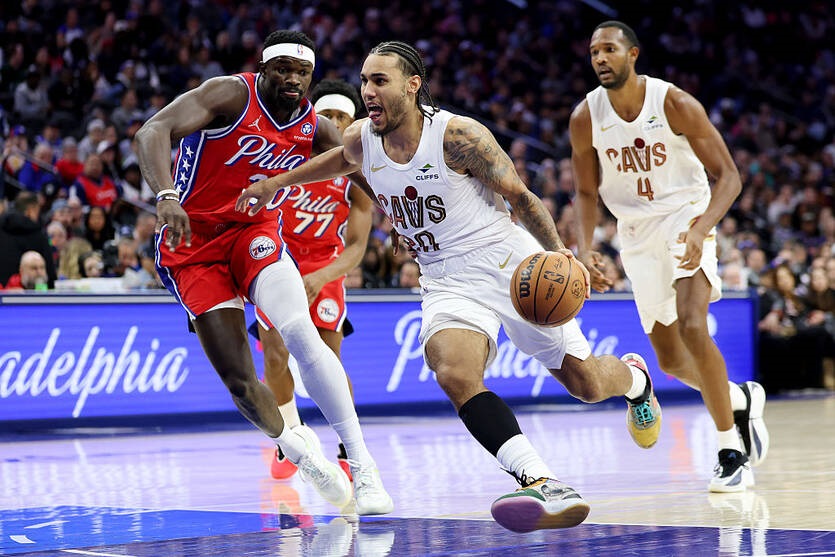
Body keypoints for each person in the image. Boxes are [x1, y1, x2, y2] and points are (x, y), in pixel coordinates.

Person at [237, 40, 662, 533]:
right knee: (453, 372)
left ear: (412, 85)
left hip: (507, 262)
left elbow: (521, 197)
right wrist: (276, 183)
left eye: (380, 81)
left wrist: (561, 254)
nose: (367, 90)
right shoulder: (361, 137)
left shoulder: (458, 136)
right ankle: (541, 481)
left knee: (585, 384)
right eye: (364, 80)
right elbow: (338, 162)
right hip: (444, 277)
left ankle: (636, 381)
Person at [135, 30, 391, 516]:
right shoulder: (229, 94)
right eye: (284, 70)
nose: (294, 79)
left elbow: (360, 171)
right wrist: (166, 195)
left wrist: (400, 215)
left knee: (300, 332)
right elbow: (152, 130)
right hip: (192, 246)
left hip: (253, 233)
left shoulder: (315, 126)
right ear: (263, 70)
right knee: (240, 381)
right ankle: (299, 451)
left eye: (303, 72)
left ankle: (362, 464)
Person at [568, 21, 769, 493]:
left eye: (609, 49)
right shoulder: (585, 116)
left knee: (694, 326)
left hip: (685, 215)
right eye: (594, 52)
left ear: (633, 54)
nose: (600, 58)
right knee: (672, 362)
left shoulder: (674, 102)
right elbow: (585, 191)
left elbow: (729, 177)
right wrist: (586, 248)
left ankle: (730, 451)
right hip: (636, 233)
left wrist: (701, 227)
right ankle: (739, 398)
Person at [250, 79, 375, 482]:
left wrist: (322, 276)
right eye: (327, 115)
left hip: (326, 269)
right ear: (313, 118)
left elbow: (356, 248)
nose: (335, 122)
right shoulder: (285, 159)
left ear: (351, 123)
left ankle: (348, 447)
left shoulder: (356, 175)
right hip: (277, 262)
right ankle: (291, 437)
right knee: (274, 356)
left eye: (342, 116)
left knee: (328, 362)